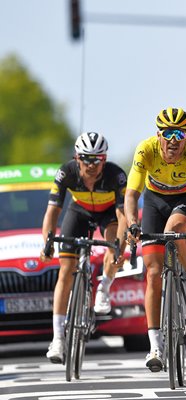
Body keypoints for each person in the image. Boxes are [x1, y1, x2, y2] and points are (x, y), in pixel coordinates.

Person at [124, 107, 186, 372]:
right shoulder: (146, 149)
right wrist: (132, 224)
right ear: (159, 134)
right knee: (153, 271)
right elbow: (131, 194)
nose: (174, 140)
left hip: (184, 201)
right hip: (154, 201)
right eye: (168, 133)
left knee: (174, 231)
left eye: (180, 133)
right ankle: (155, 345)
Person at [40, 132, 127, 364]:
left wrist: (119, 246)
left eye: (97, 159)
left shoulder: (115, 175)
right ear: (76, 158)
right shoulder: (66, 172)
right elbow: (53, 212)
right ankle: (58, 339)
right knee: (65, 272)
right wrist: (47, 241)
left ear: (104, 159)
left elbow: (123, 215)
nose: (91, 164)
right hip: (79, 211)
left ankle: (103, 289)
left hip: (108, 213)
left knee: (114, 242)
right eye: (86, 159)